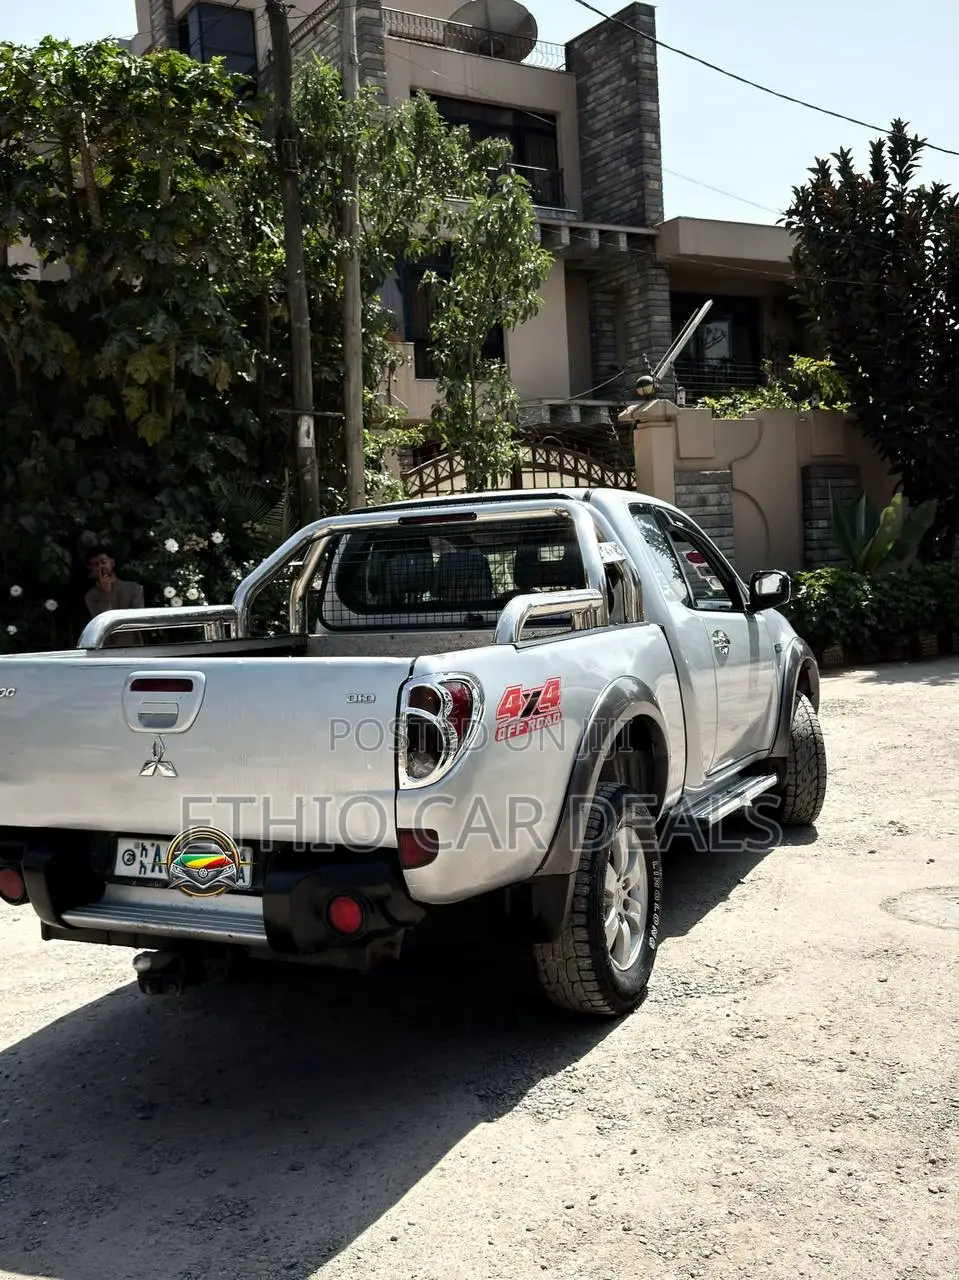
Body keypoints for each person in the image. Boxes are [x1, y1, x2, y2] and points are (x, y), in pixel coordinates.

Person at [84, 546, 145, 645]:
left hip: (133, 646)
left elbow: (137, 621)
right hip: (106, 649)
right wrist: (105, 593)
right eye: (96, 565)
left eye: (103, 562)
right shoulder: (91, 596)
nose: (100, 567)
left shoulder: (134, 588)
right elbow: (103, 624)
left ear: (112, 562)